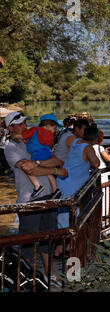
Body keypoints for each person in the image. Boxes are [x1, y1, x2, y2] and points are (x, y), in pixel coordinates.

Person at [4, 111, 68, 278]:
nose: (25, 126)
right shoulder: (10, 148)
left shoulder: (34, 139)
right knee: (27, 242)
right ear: (10, 127)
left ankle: (48, 273)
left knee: (48, 237)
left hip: (50, 197)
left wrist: (38, 163)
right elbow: (28, 168)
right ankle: (25, 278)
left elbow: (57, 160)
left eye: (25, 122)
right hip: (29, 200)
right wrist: (54, 170)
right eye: (20, 124)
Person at [56, 126, 100, 229]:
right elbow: (96, 164)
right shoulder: (88, 148)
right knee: (66, 226)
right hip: (71, 188)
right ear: (95, 137)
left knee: (63, 221)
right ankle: (66, 243)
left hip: (62, 183)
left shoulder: (76, 142)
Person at [19, 114, 63, 200]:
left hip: (37, 154)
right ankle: (55, 189)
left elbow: (24, 136)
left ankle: (37, 186)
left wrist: (15, 136)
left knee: (28, 168)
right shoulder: (50, 135)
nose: (55, 130)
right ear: (47, 126)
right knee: (48, 172)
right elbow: (49, 145)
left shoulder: (34, 130)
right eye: (54, 128)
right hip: (47, 153)